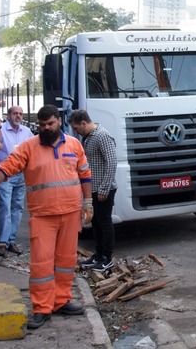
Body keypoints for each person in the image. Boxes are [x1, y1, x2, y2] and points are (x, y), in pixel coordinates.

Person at [0, 105, 94, 331]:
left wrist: (88, 203)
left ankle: (61, 301)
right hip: (43, 215)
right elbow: (6, 168)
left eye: (50, 124)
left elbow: (85, 175)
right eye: (42, 125)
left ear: (58, 122)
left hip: (70, 213)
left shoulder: (74, 144)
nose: (46, 128)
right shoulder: (29, 147)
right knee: (41, 264)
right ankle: (42, 308)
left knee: (66, 261)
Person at [68, 109, 118, 272]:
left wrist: (104, 188)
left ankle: (107, 258)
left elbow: (111, 162)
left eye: (76, 128)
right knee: (95, 223)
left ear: (84, 123)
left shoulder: (102, 136)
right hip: (93, 188)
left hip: (103, 189)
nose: (76, 131)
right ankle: (98, 255)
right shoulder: (88, 137)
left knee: (104, 223)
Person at [0, 106, 34, 257]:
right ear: (8, 115)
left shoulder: (27, 132)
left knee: (17, 207)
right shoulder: (1, 130)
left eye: (20, 114)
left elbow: (33, 150)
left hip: (22, 174)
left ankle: (11, 241)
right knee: (5, 206)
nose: (18, 116)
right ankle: (2, 242)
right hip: (6, 174)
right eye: (15, 113)